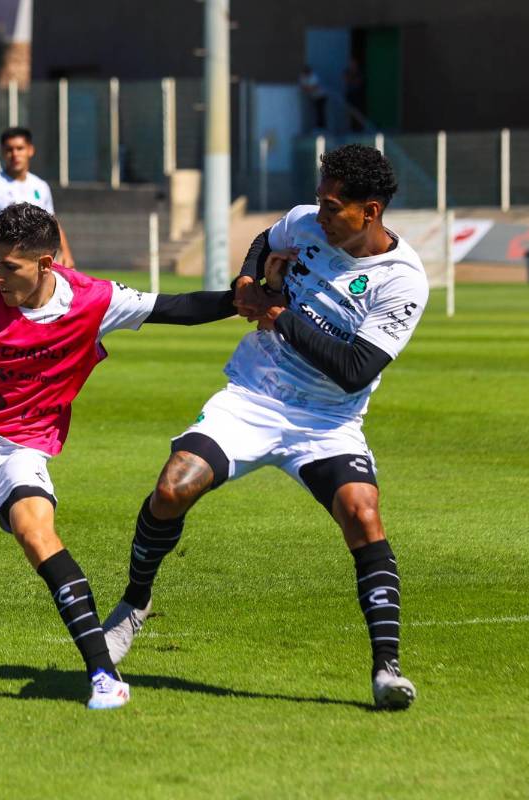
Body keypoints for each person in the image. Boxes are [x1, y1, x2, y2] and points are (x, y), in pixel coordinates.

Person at [0, 202, 236, 709]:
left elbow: (174, 308)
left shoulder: (94, 299)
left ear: (47, 264)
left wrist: (241, 299)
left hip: (22, 447)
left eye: (11, 267)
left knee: (37, 533)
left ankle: (102, 674)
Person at [102, 144, 427, 710]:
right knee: (173, 486)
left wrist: (279, 314)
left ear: (370, 212)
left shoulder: (402, 280)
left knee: (363, 514)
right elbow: (263, 242)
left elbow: (355, 371)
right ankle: (134, 605)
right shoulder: (305, 223)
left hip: (326, 420)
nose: (319, 214)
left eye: (333, 207)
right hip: (254, 396)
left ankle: (387, 669)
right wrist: (250, 283)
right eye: (321, 201)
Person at [0, 127, 74, 269]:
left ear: (30, 150)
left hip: (37, 272)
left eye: (20, 148)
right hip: (3, 271)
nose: (15, 154)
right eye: (9, 149)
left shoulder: (40, 186)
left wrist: (67, 254)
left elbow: (52, 223)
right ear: (3, 152)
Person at [299, 65, 327, 131]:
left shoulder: (314, 77)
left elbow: (313, 87)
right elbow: (303, 87)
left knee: (320, 112)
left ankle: (321, 127)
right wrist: (308, 88)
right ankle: (316, 126)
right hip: (313, 97)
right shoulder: (303, 77)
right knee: (313, 112)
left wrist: (308, 88)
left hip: (321, 96)